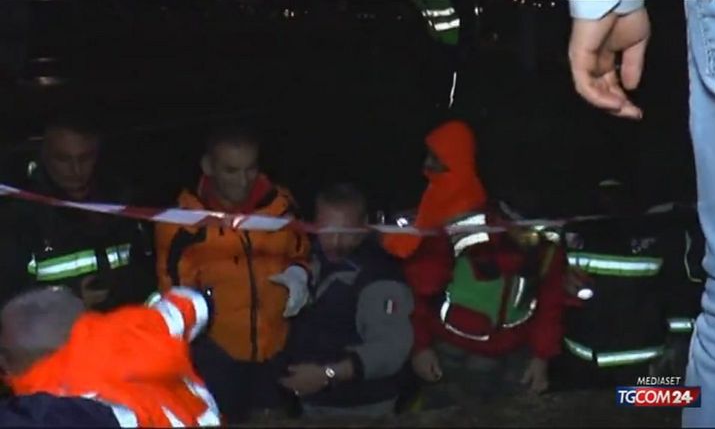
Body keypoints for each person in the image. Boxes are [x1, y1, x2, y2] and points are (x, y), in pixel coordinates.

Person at [568, 0, 715, 426]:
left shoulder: (666, 221)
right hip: (599, 370)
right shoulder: (583, 222)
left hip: (645, 363)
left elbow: (682, 293)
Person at [383, 120, 567, 409]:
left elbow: (550, 298)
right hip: (452, 353)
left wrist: (542, 356)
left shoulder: (546, 235)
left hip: (516, 355)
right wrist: (421, 348)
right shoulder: (461, 222)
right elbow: (420, 292)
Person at [154, 125, 311, 422]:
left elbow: (302, 254)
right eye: (231, 171)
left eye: (251, 169)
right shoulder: (182, 222)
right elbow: (172, 295)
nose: (243, 181)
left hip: (278, 346)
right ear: (208, 166)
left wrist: (300, 276)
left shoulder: (281, 206)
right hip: (216, 356)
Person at [277, 183, 414, 418]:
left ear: (364, 226)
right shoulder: (307, 261)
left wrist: (327, 374)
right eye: (328, 230)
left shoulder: (380, 276)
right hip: (310, 405)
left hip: (364, 408)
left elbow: (391, 348)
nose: (336, 242)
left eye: (347, 232)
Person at [0, 286, 220, 427]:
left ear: (9, 362)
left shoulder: (62, 402)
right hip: (205, 413)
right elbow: (188, 305)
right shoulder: (134, 325)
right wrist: (204, 298)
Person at [0, 113, 155, 310]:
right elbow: (10, 304)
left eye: (85, 158)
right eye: (63, 159)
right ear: (44, 156)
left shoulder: (122, 203)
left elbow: (148, 275)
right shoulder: (21, 217)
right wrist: (71, 297)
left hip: (125, 324)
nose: (76, 171)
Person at [552, 179, 696, 389]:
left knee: (677, 402)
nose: (608, 200)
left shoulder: (662, 230)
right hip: (581, 361)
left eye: (615, 192)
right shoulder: (574, 230)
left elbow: (680, 289)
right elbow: (552, 284)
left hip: (644, 364)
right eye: (603, 192)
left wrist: (679, 344)